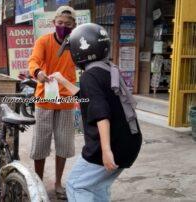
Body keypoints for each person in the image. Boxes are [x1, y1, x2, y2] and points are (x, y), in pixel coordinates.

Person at [50, 23, 142, 202]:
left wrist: (106, 151)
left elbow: (101, 113)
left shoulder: (89, 76)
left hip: (110, 146)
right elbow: (87, 98)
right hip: (129, 142)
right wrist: (61, 80)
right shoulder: (107, 69)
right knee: (97, 186)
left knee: (76, 185)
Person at [28, 5, 77, 200]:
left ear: (74, 25)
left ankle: (58, 182)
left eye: (67, 24)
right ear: (53, 23)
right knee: (41, 144)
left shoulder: (76, 44)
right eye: (60, 23)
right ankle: (39, 182)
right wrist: (38, 72)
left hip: (66, 100)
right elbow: (34, 61)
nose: (63, 27)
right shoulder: (44, 41)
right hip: (45, 98)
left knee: (64, 144)